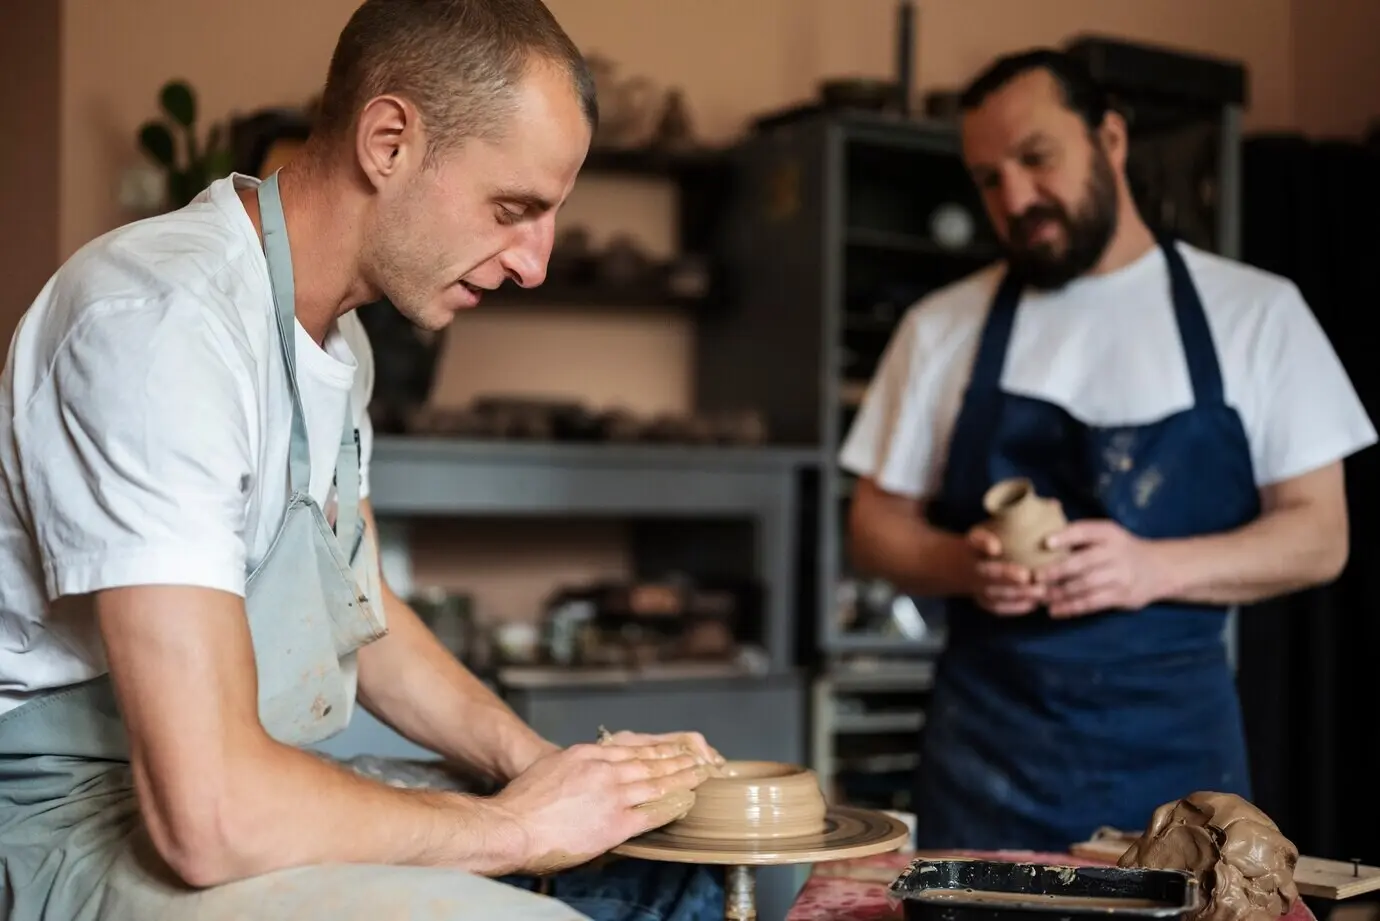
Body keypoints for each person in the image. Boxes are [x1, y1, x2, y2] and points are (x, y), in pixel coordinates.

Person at [0, 2, 727, 919]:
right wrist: (515, 828)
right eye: (515, 209)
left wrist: (538, 767)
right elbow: (210, 817)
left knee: (655, 871)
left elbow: (360, 608)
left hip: (227, 784)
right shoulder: (161, 323)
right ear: (389, 142)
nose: (536, 262)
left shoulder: (339, 341)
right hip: (68, 816)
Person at [839, 48, 1376, 852]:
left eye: (1036, 158)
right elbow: (872, 526)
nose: (1015, 197)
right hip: (987, 759)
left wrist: (1155, 567)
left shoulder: (1255, 314)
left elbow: (1320, 535)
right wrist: (963, 564)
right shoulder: (942, 327)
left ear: (1111, 140)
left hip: (1177, 764)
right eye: (989, 178)